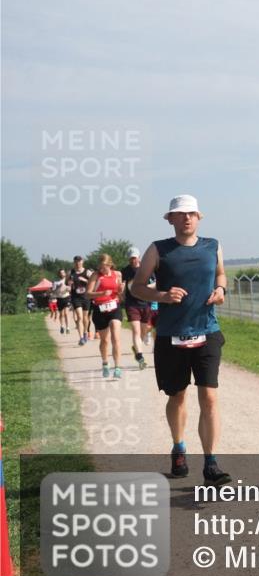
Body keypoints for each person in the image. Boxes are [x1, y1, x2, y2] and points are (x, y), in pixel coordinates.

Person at [130, 194, 231, 488]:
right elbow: (137, 287)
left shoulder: (213, 246)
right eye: (180, 214)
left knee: (209, 396)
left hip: (207, 330)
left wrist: (221, 290)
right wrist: (161, 296)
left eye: (191, 213)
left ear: (199, 217)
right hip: (170, 335)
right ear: (170, 219)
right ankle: (179, 447)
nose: (186, 218)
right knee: (177, 396)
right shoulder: (158, 250)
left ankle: (211, 463)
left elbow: (221, 275)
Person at [85, 254, 124, 379]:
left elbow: (120, 294)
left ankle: (117, 367)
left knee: (116, 337)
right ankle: (105, 363)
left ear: (110, 265)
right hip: (100, 309)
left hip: (114, 307)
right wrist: (101, 293)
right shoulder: (95, 275)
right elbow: (87, 294)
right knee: (105, 340)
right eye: (100, 267)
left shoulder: (117, 274)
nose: (102, 270)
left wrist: (121, 290)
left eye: (104, 268)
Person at [121, 246, 153, 369]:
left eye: (134, 258)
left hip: (146, 303)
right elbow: (122, 285)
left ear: (138, 257)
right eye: (130, 259)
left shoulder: (147, 269)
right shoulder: (125, 271)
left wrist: (149, 290)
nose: (132, 261)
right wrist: (121, 293)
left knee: (144, 331)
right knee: (136, 330)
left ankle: (136, 347)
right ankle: (140, 357)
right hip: (132, 304)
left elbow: (155, 283)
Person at [69, 256, 93, 346]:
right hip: (76, 297)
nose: (78, 263)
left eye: (79, 261)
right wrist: (69, 284)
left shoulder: (87, 272)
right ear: (74, 262)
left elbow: (93, 282)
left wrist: (85, 280)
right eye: (76, 262)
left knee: (85, 317)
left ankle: (86, 332)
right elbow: (67, 283)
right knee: (79, 317)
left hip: (86, 296)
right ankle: (81, 338)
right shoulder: (71, 272)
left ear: (82, 262)